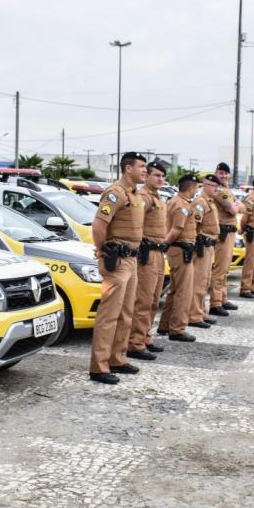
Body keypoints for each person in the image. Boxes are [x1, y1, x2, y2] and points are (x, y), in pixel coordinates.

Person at [89, 152, 147, 385]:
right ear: (127, 169)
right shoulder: (115, 193)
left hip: (131, 260)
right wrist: (102, 249)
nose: (144, 170)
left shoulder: (134, 194)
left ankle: (117, 358)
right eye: (141, 166)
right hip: (117, 260)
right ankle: (99, 366)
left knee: (126, 313)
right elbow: (99, 224)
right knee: (109, 314)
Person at [127, 160, 174, 360]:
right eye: (156, 175)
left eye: (163, 176)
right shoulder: (143, 197)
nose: (160, 179)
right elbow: (135, 225)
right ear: (146, 176)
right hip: (145, 254)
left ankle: (145, 337)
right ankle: (134, 343)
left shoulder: (158, 197)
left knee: (154, 299)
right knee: (143, 300)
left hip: (158, 253)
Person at [158, 173, 201, 342]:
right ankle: (177, 329)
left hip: (180, 250)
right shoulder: (181, 204)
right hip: (181, 250)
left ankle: (165, 325)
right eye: (196, 187)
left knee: (175, 289)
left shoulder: (178, 201)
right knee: (184, 291)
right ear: (191, 187)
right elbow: (176, 230)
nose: (196, 190)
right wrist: (164, 245)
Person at [188, 174, 221, 328]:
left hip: (209, 246)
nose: (217, 189)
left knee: (205, 280)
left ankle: (200, 311)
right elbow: (194, 225)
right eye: (214, 186)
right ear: (206, 185)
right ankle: (194, 315)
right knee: (199, 282)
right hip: (201, 246)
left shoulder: (209, 202)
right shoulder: (200, 202)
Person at [209, 163, 240, 317]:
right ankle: (215, 302)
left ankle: (223, 298)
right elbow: (234, 209)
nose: (223, 176)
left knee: (225, 268)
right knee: (220, 268)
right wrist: (236, 205)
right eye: (220, 173)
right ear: (216, 173)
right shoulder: (219, 190)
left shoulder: (226, 189)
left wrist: (236, 204)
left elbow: (241, 206)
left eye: (225, 174)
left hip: (229, 232)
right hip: (222, 232)